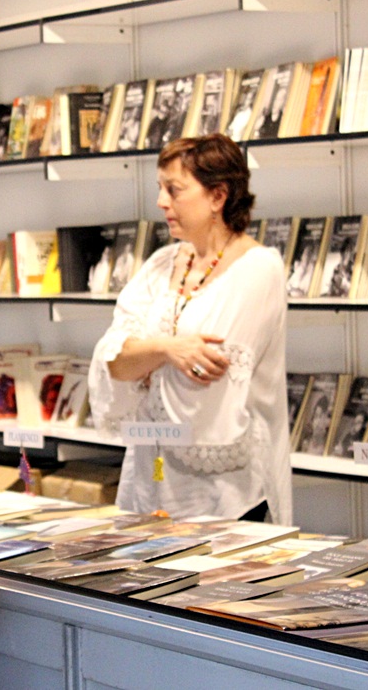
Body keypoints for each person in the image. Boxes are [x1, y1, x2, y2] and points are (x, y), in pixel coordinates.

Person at [88, 133, 291, 524]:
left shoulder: (258, 269)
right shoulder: (161, 264)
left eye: (174, 190)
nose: (161, 202)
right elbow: (110, 361)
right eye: (160, 188)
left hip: (227, 500)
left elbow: (206, 384)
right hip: (147, 487)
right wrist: (168, 351)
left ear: (218, 196)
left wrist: (143, 360)